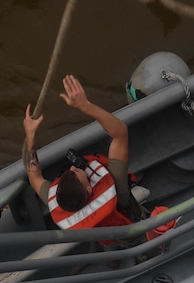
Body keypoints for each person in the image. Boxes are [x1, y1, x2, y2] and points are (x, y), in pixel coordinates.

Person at [23, 74, 148, 250]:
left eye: (71, 170)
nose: (74, 166)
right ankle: (139, 252)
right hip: (129, 224)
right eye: (76, 172)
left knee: (109, 245)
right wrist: (85, 106)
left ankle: (113, 260)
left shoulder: (54, 199)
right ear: (89, 189)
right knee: (136, 238)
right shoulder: (116, 185)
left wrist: (30, 136)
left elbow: (34, 176)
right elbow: (120, 132)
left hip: (103, 236)